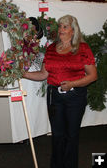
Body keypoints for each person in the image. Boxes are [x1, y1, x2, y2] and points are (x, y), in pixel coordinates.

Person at [23, 14, 97, 168]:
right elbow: (44, 74)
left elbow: (93, 76)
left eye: (65, 26)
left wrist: (72, 84)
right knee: (57, 135)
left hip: (75, 97)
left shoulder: (83, 48)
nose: (61, 30)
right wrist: (23, 74)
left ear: (73, 30)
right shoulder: (50, 49)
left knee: (71, 136)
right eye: (60, 26)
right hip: (54, 97)